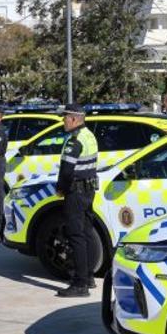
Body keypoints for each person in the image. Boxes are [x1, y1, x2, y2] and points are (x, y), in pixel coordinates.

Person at [54, 104, 98, 298]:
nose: (63, 121)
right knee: (86, 233)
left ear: (73, 119)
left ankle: (80, 284)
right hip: (88, 191)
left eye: (65, 118)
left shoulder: (75, 140)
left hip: (76, 192)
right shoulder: (89, 135)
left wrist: (61, 189)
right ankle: (88, 276)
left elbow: (66, 170)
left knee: (75, 235)